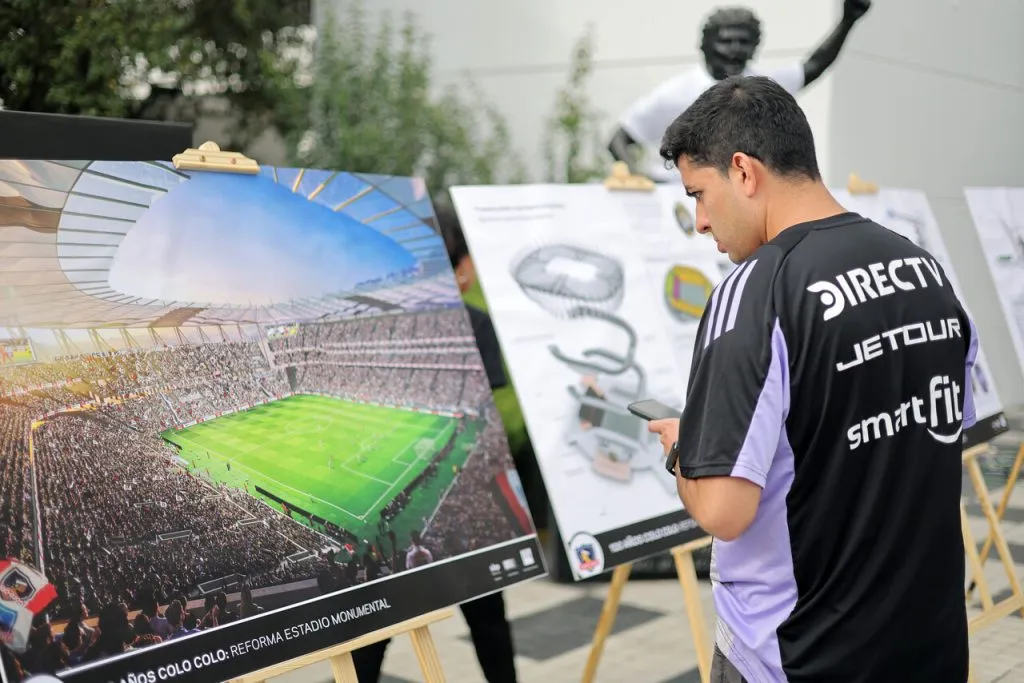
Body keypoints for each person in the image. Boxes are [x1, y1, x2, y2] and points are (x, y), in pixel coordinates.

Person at [648, 75, 974, 683]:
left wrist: (681, 450)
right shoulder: (922, 268)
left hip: (796, 656)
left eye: (699, 193)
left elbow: (723, 509)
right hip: (927, 644)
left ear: (744, 172)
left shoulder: (755, 291)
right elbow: (942, 426)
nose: (698, 221)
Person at [350, 200, 519, 683]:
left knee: (375, 628)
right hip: (464, 502)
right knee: (489, 622)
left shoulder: (379, 323)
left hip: (410, 487)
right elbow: (485, 412)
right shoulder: (476, 323)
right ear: (462, 267)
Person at [608, 0, 871, 183]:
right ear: (706, 45)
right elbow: (619, 139)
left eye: (743, 42)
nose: (735, 49)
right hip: (682, 202)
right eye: (726, 41)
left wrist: (848, 20)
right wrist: (638, 180)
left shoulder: (761, 85)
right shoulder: (676, 93)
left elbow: (813, 66)